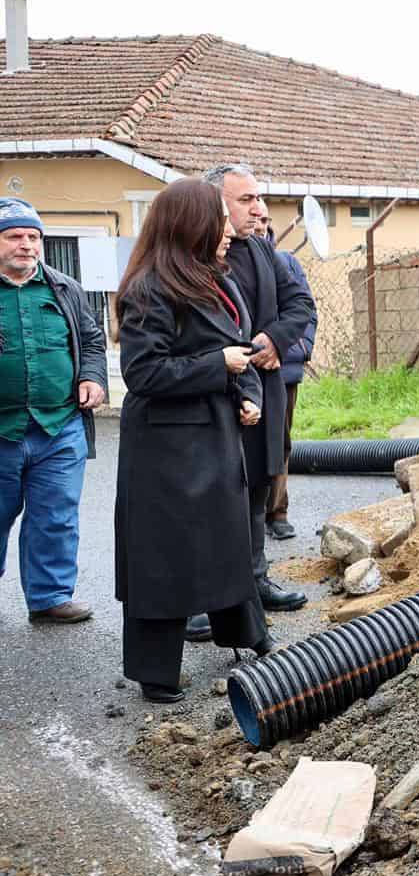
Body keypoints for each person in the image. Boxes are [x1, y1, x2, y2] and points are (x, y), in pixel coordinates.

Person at [114, 178, 274, 702]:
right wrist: (216, 367)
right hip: (165, 451)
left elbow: (238, 351)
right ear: (191, 225)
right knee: (165, 557)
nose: (229, 230)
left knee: (222, 543)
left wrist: (246, 392)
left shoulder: (214, 279)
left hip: (214, 434)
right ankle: (154, 672)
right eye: (219, 220)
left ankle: (245, 634)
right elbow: (144, 374)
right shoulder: (148, 288)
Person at [183, 163, 314, 639]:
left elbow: (301, 305)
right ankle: (203, 599)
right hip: (214, 397)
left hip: (265, 391)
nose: (259, 208)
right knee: (210, 497)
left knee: (258, 487)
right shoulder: (190, 259)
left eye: (259, 198)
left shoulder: (263, 250)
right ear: (214, 204)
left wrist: (273, 342)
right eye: (246, 200)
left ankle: (254, 582)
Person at [0, 198, 108, 624]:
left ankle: (49, 597)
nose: (26, 245)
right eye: (14, 237)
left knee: (55, 518)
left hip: (59, 428)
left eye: (33, 237)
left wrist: (93, 378)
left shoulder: (66, 289)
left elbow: (94, 341)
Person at [265, 234, 316, 541]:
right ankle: (253, 513)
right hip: (245, 369)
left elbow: (306, 310)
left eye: (266, 220)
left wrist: (298, 347)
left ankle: (278, 511)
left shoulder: (286, 263)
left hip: (285, 370)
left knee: (281, 442)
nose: (260, 222)